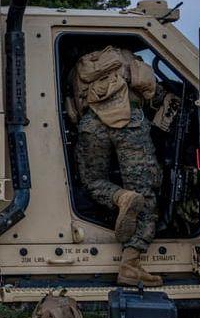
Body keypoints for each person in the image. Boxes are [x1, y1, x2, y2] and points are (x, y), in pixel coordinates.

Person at [68, 45, 169, 287]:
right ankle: (130, 264)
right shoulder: (129, 58)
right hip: (129, 123)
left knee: (93, 181)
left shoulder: (81, 65)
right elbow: (152, 93)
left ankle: (121, 197)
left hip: (91, 125)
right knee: (145, 194)